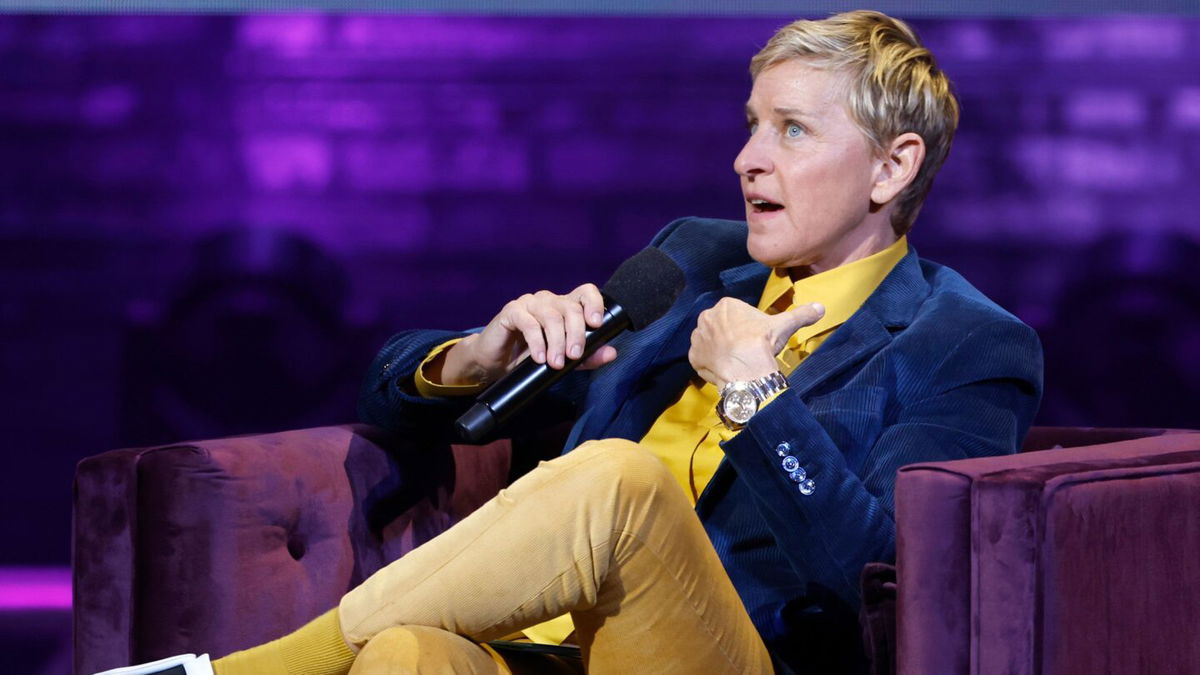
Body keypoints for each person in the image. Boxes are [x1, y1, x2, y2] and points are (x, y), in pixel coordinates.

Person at [103, 9, 1042, 675]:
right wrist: (478, 355)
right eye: (753, 124)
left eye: (792, 130)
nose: (747, 158)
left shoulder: (964, 342)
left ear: (893, 165)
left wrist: (760, 398)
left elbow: (888, 585)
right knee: (406, 654)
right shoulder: (691, 261)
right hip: (549, 646)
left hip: (734, 655)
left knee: (619, 478)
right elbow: (391, 397)